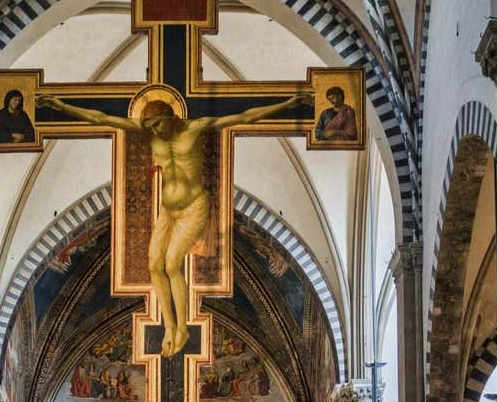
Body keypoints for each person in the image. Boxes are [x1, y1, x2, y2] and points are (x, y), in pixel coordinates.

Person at [37, 92, 312, 356]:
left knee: (171, 264)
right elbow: (101, 118)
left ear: (171, 118)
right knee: (154, 264)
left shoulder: (195, 129)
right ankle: (170, 326)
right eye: (149, 126)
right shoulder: (151, 134)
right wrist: (60, 105)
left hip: (194, 207)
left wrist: (288, 102)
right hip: (167, 210)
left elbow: (245, 116)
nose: (153, 131)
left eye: (157, 124)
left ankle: (182, 329)